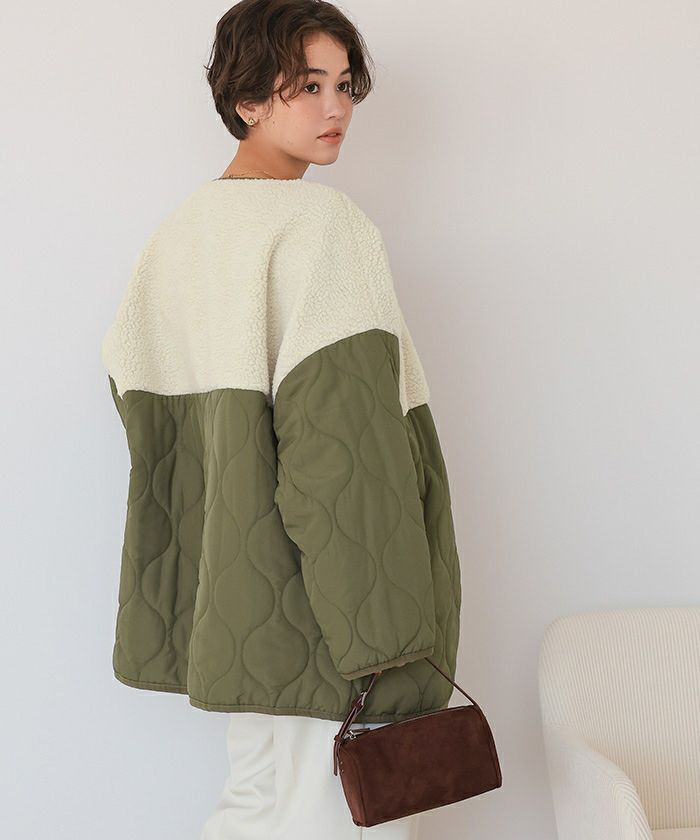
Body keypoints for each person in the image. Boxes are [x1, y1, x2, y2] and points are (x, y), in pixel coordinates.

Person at [100, 0, 462, 837]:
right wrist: (389, 642)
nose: (336, 108)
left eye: (345, 84)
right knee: (348, 821)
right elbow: (344, 453)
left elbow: (154, 438)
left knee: (255, 810)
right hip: (328, 621)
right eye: (308, 86)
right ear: (248, 99)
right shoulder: (322, 227)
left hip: (231, 613)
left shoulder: (178, 237)